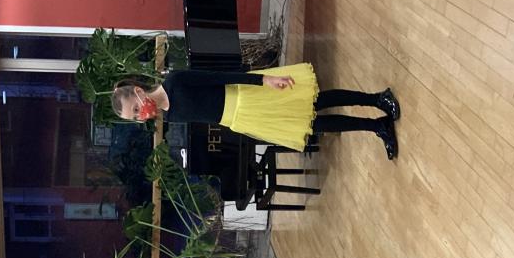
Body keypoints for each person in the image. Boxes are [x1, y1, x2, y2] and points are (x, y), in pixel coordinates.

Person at [111, 64, 402, 159]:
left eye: (135, 109)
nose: (140, 115)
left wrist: (264, 80)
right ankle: (377, 127)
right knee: (313, 126)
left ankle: (378, 99)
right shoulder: (171, 117)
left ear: (138, 92)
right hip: (243, 119)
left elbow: (220, 75)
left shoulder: (175, 81)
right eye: (134, 117)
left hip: (249, 97)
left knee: (316, 102)